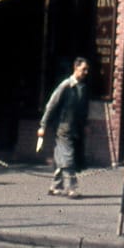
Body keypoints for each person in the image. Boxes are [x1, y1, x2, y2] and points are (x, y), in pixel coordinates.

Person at [36, 56, 90, 199]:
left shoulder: (82, 88)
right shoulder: (66, 86)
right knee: (68, 156)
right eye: (83, 69)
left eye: (87, 70)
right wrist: (43, 125)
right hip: (63, 128)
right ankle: (71, 188)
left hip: (75, 129)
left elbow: (82, 110)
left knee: (62, 157)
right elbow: (51, 105)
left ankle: (55, 186)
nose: (86, 72)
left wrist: (85, 125)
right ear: (75, 68)